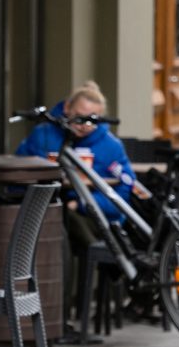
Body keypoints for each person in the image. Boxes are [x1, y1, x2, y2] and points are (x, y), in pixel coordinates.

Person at [15, 80, 136, 251]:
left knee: (68, 218)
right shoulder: (44, 135)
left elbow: (124, 192)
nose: (85, 126)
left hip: (95, 218)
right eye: (79, 117)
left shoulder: (111, 146)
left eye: (92, 121)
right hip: (43, 211)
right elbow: (19, 173)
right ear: (67, 108)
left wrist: (80, 204)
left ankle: (100, 258)